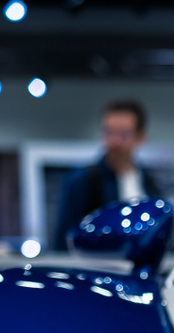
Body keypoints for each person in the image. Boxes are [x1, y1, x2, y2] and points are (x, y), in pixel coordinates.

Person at [50, 98, 160, 251]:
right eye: (109, 132)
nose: (114, 141)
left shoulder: (149, 183)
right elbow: (64, 239)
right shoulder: (83, 181)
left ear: (140, 137)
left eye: (123, 134)